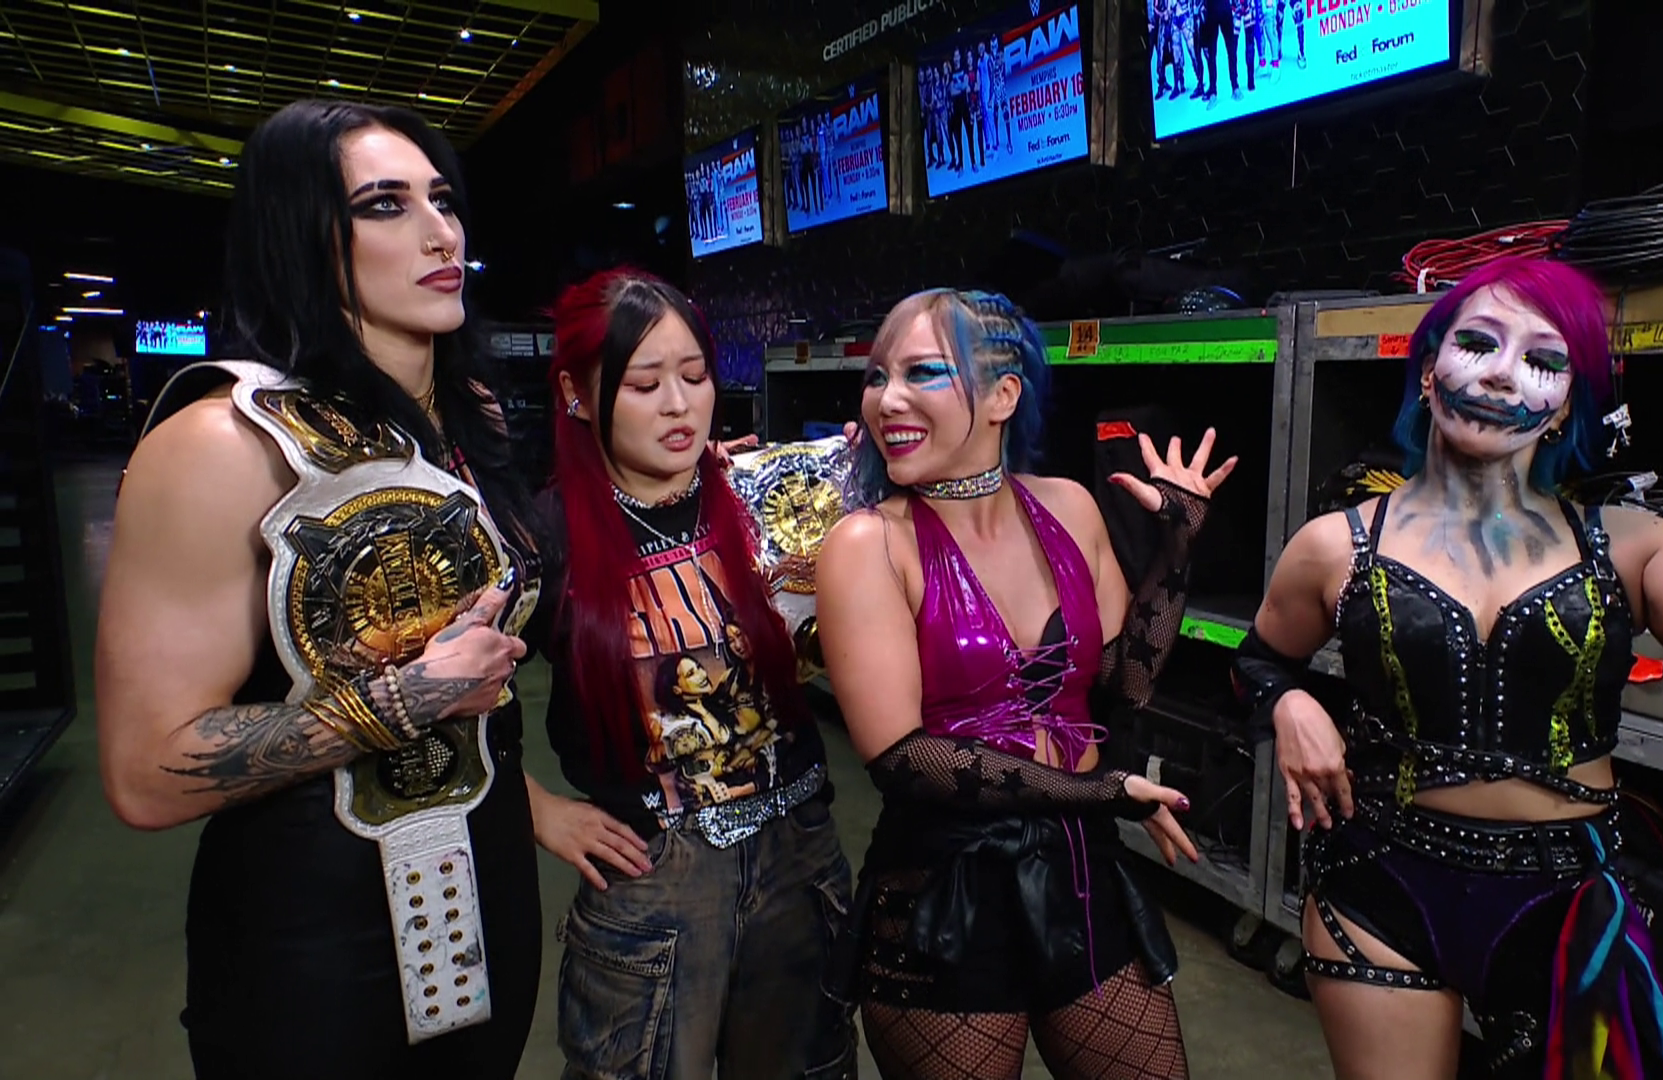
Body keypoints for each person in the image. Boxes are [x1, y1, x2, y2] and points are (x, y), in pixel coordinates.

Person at [1231, 257, 1663, 1079]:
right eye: (1478, 343)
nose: (1501, 374)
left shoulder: (1629, 543)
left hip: (1563, 902)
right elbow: (1259, 663)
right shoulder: (1334, 546)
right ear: (1429, 371)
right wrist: (1289, 705)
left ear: (1563, 405)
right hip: (1380, 885)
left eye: (1543, 359)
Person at [96, 99, 544, 1078]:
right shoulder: (221, 442)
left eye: (443, 200)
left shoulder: (465, 419)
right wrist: (408, 698)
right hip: (313, 935)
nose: (441, 233)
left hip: (490, 888)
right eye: (384, 205)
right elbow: (145, 772)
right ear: (299, 235)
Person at [815, 288, 1237, 1080]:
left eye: (921, 372)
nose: (886, 399)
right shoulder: (868, 544)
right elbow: (903, 758)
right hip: (947, 895)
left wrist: (1178, 546)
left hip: (1083, 871)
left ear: (1004, 394)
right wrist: (1101, 792)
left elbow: (1126, 684)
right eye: (876, 376)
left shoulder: (1069, 507)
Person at [528, 268, 856, 1080]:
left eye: (696, 376)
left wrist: (870, 477)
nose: (678, 405)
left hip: (799, 856)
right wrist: (537, 810)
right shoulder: (544, 535)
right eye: (645, 385)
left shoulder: (766, 495)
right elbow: (446, 697)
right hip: (654, 877)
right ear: (576, 395)